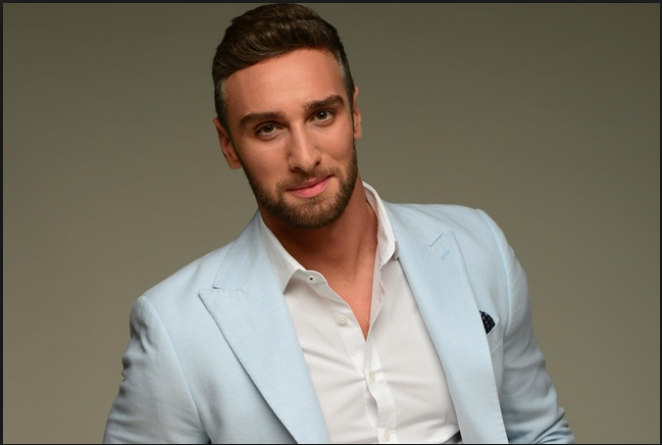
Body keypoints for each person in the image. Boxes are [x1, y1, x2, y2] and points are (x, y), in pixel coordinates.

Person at [103, 4, 573, 444]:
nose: (304, 157)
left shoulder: (477, 247)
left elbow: (539, 433)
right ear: (228, 145)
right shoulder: (178, 328)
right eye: (268, 128)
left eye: (321, 115)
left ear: (355, 114)